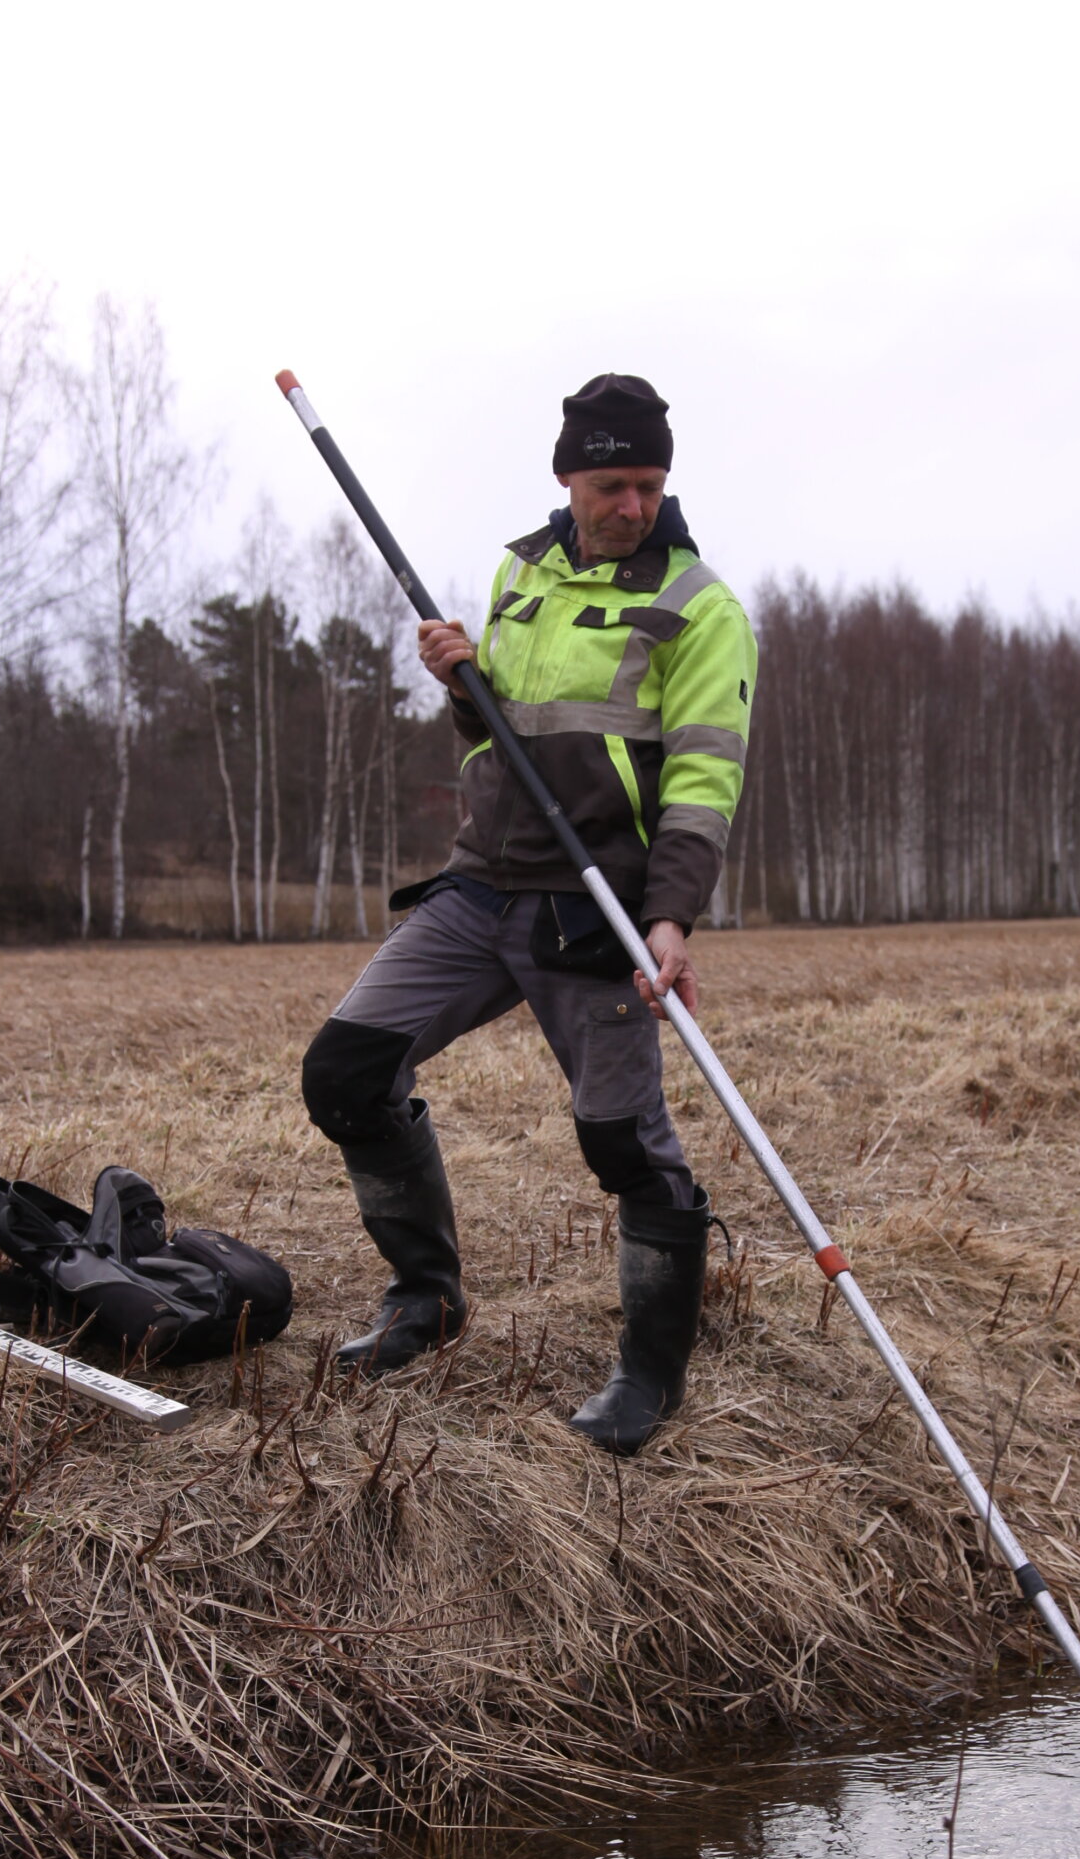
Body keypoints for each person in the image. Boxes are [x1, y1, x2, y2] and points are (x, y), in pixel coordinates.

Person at [300, 374, 757, 1454]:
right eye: (612, 483)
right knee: (347, 1074)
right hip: (480, 884)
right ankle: (427, 1296)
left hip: (596, 907)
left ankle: (649, 1374)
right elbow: (498, 736)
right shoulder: (521, 571)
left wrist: (673, 915)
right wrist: (462, 681)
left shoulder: (700, 606)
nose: (633, 505)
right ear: (568, 478)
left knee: (622, 1145)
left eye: (649, 484)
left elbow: (704, 779)